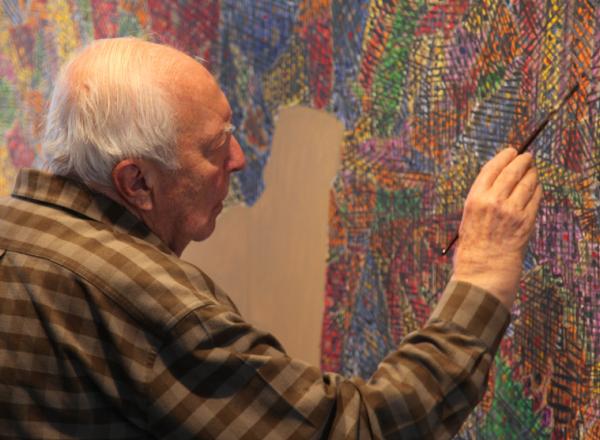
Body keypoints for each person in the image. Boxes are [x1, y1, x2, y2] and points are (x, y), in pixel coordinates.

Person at [0, 37, 542, 439]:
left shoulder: (19, 229)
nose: (237, 161)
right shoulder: (138, 297)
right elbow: (356, 431)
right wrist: (483, 273)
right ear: (136, 182)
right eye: (215, 147)